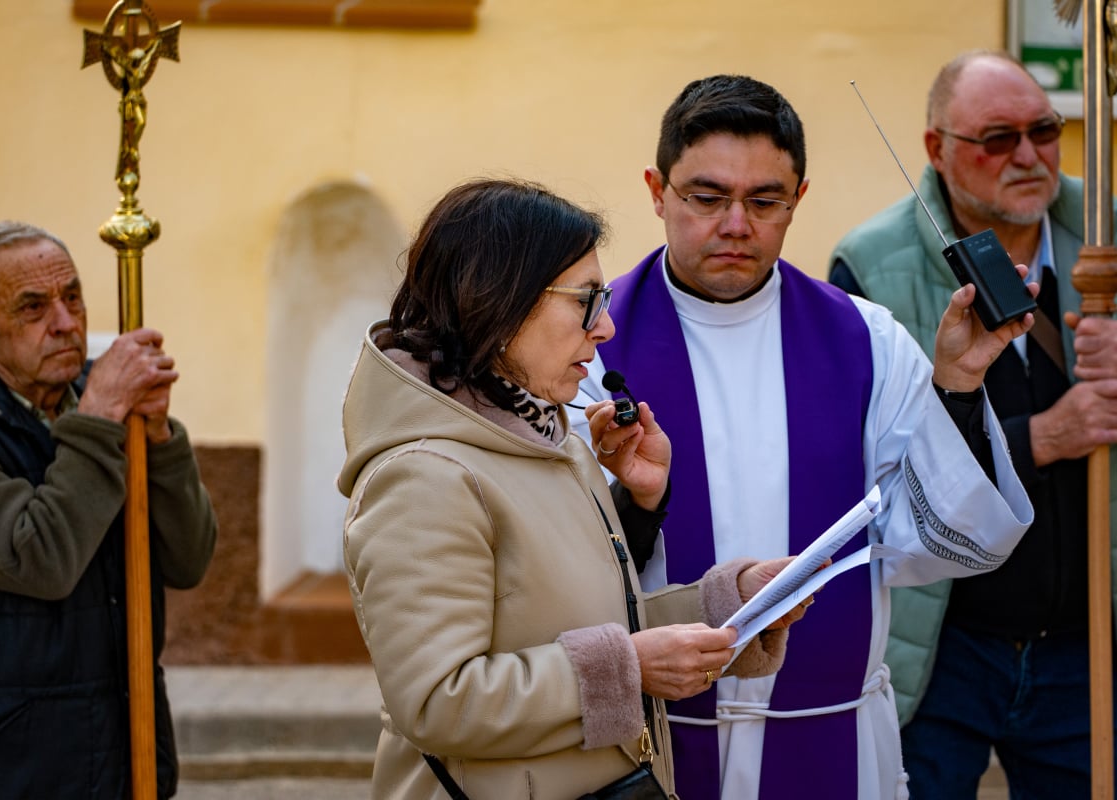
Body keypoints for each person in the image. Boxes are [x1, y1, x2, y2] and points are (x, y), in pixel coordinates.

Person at [568, 74, 1037, 799]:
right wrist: (640, 500)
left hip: (833, 738)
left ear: (799, 201)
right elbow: (567, 558)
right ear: (657, 191)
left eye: (764, 201)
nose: (735, 224)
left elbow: (941, 541)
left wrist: (958, 386)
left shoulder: (866, 340)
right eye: (706, 196)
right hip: (656, 741)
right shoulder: (589, 348)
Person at [338, 178, 815, 799]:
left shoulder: (551, 438)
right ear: (501, 302)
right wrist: (631, 667)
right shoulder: (424, 476)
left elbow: (578, 622)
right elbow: (436, 703)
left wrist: (731, 607)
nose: (607, 327)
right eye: (587, 300)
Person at [829, 49, 1117, 798]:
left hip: (1090, 643)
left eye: (1045, 129)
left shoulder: (1108, 230)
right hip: (944, 642)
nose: (1028, 155)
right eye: (997, 138)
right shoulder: (870, 265)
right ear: (937, 149)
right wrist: (1043, 438)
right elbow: (870, 469)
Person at [0, 221, 218, 798]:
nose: (66, 323)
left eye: (72, 296)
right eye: (33, 307)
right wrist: (101, 419)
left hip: (114, 752)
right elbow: (41, 559)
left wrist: (157, 439)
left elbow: (189, 559)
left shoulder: (93, 396)